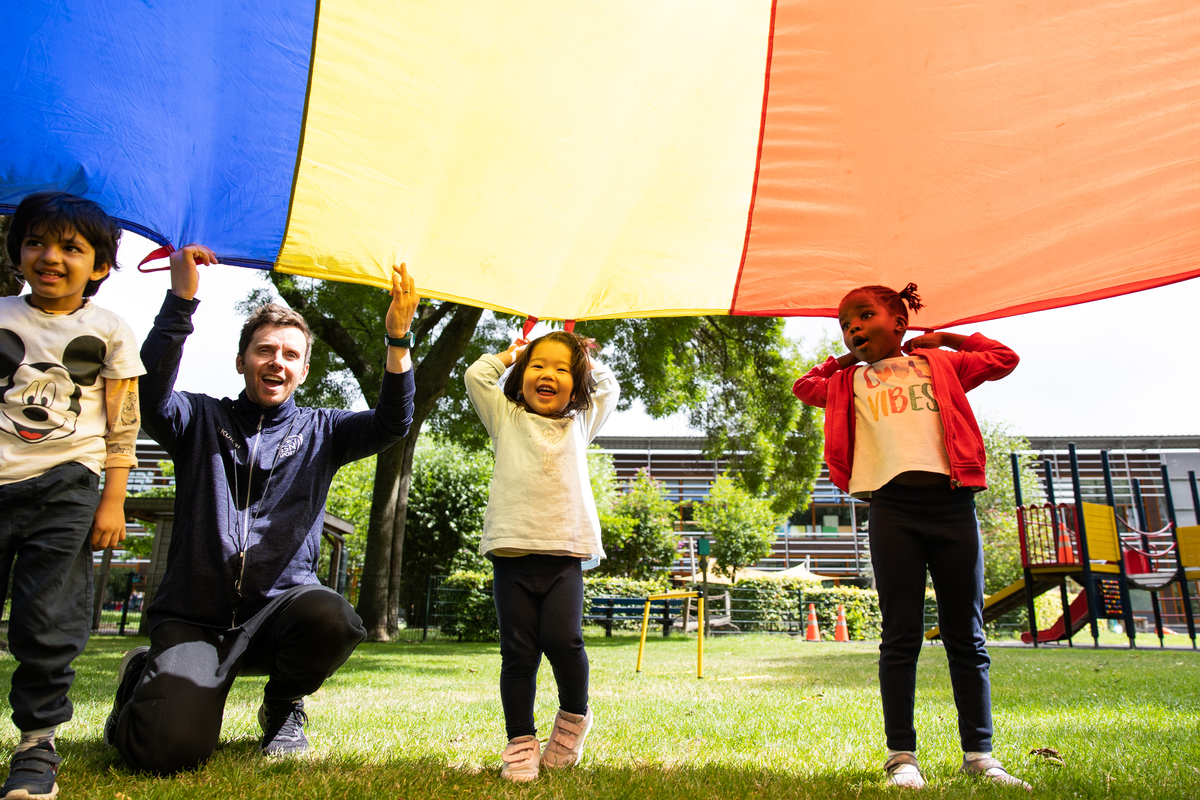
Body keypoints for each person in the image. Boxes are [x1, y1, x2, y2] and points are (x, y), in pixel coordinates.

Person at [103, 243, 418, 774]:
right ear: (242, 360)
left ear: (304, 370)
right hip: (195, 619)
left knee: (334, 618)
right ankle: (143, 678)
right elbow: (150, 393)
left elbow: (393, 420)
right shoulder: (198, 419)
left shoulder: (324, 431)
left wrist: (397, 338)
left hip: (278, 615)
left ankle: (282, 704)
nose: (277, 361)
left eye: (290, 354)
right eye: (265, 350)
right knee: (168, 755)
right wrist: (181, 300)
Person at [793, 283, 1029, 791]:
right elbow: (804, 386)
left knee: (967, 634)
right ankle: (902, 756)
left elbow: (1003, 357)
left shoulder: (940, 366)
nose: (852, 327)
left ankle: (980, 755)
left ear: (900, 322)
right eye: (844, 323)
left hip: (952, 507)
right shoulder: (848, 381)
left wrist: (947, 339)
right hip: (892, 510)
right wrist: (839, 360)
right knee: (900, 634)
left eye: (863, 316)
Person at [0, 192, 144, 800]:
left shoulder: (109, 329)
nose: (49, 256)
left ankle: (36, 746)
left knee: (46, 619)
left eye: (70, 248)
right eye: (36, 242)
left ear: (101, 266)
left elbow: (124, 423)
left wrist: (113, 500)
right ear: (17, 253)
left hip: (68, 484)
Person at [464, 330, 619, 782]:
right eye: (537, 365)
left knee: (565, 642)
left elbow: (607, 386)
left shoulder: (581, 421)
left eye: (561, 368)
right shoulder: (505, 415)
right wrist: (511, 353)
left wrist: (584, 351)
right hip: (511, 555)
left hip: (563, 556)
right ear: (520, 375)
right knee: (518, 653)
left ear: (577, 382)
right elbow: (477, 375)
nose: (548, 374)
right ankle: (520, 742)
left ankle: (573, 721)